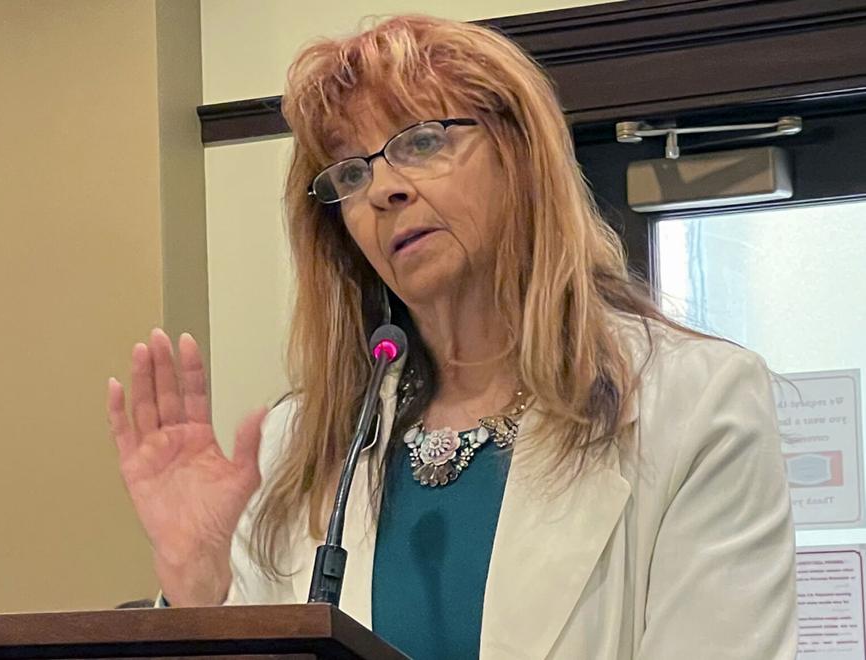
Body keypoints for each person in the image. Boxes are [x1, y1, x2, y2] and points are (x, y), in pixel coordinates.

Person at [106, 15, 797, 660]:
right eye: (351, 172)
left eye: (422, 141)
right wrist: (199, 591)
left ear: (519, 155)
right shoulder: (306, 442)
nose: (383, 190)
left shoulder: (696, 403)